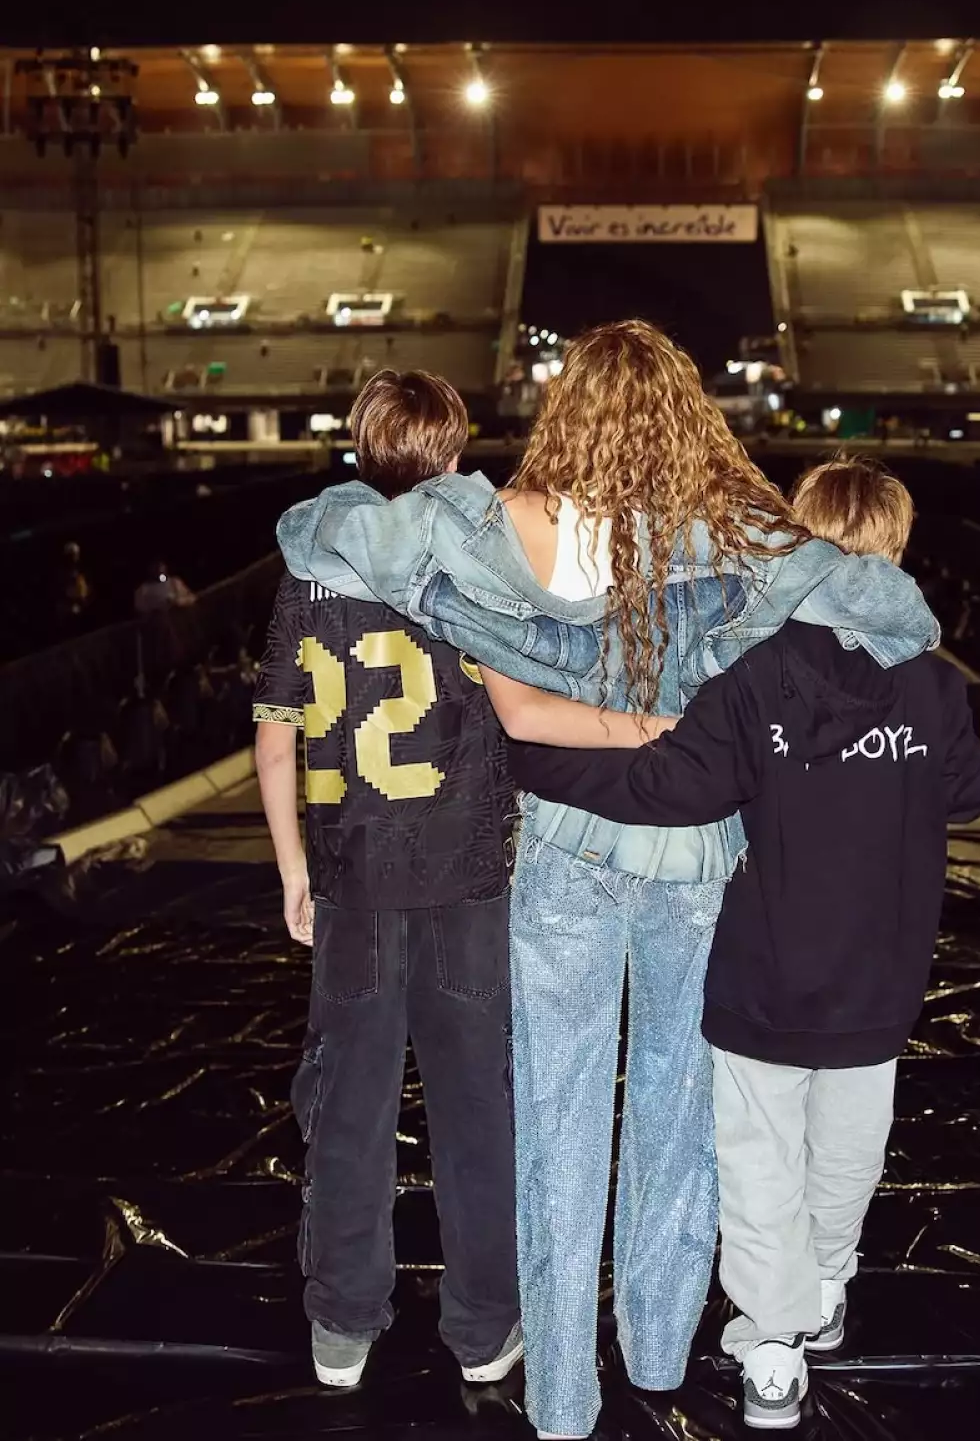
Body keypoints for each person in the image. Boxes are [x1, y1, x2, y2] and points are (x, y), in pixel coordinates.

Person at [274, 327, 941, 1438]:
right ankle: (659, 1350)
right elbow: (897, 618)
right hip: (697, 857)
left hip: (567, 855)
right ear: (691, 413)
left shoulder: (499, 528)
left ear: (565, 408)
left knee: (555, 1122)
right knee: (679, 1118)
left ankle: (565, 1400)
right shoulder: (744, 536)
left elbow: (319, 535)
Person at [508, 457, 980, 1430]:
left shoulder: (752, 673)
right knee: (849, 1151)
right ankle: (823, 1293)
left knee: (760, 1161)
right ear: (896, 547)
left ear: (796, 544)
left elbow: (663, 786)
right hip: (878, 982)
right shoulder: (935, 689)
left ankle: (772, 1348)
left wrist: (531, 754)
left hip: (760, 979)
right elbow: (969, 794)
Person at [252, 370, 663, 1392]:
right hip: (470, 875)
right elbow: (542, 699)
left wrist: (294, 869)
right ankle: (485, 1330)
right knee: (478, 1111)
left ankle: (343, 1322)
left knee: (349, 1108)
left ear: (360, 444)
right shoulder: (481, 563)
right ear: (453, 449)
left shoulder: (308, 567)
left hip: (353, 878)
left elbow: (273, 738)